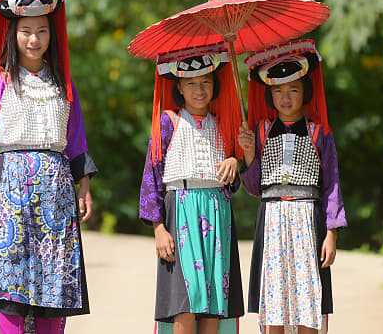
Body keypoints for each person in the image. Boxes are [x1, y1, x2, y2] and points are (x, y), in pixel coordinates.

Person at [0, 0, 98, 334]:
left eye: (42, 31)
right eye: (26, 31)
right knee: (12, 277)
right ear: (13, 34)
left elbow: (75, 139)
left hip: (56, 193)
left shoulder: (62, 83)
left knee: (53, 277)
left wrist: (83, 185)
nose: (34, 39)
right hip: (11, 188)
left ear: (51, 35)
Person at [238, 39, 347, 334]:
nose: (285, 98)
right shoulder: (260, 131)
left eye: (293, 90)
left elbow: (332, 184)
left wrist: (332, 233)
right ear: (270, 94)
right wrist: (249, 156)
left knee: (308, 299)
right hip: (272, 221)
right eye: (278, 91)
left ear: (305, 92)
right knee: (274, 299)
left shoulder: (318, 133)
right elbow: (254, 188)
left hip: (307, 222)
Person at [138, 42, 245, 334]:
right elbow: (151, 177)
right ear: (180, 88)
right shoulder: (168, 122)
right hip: (181, 210)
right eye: (192, 83)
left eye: (206, 82)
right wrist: (159, 228)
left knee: (212, 301)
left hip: (216, 212)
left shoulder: (224, 124)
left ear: (215, 85)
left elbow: (233, 183)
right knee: (184, 302)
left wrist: (238, 158)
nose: (200, 90)